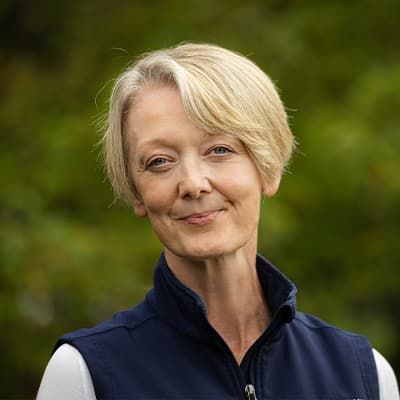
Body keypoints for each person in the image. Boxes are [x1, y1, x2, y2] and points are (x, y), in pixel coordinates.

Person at [37, 42, 399, 400]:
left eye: (220, 150)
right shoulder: (86, 375)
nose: (193, 184)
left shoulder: (362, 375)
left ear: (268, 168)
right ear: (136, 192)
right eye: (159, 161)